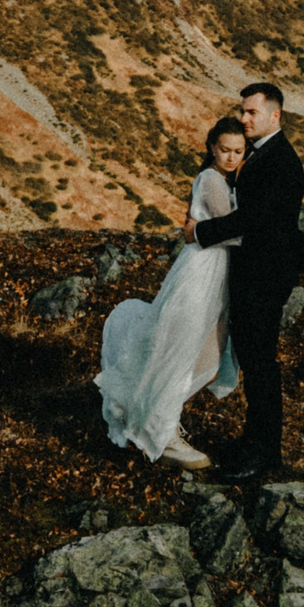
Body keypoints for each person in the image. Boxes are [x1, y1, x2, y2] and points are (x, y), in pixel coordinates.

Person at [96, 118, 248, 469]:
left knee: (204, 355)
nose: (231, 157)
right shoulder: (211, 179)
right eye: (224, 150)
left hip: (214, 272)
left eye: (238, 151)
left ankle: (155, 415)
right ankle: (161, 430)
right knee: (183, 350)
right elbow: (235, 231)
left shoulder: (224, 179)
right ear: (212, 148)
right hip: (201, 273)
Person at [185, 81, 304, 485]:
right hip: (255, 272)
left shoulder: (281, 161)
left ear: (275, 115)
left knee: (260, 364)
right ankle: (255, 440)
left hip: (266, 276)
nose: (243, 118)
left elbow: (252, 219)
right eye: (242, 110)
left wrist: (199, 232)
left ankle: (264, 451)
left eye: (252, 112)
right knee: (254, 361)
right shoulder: (260, 152)